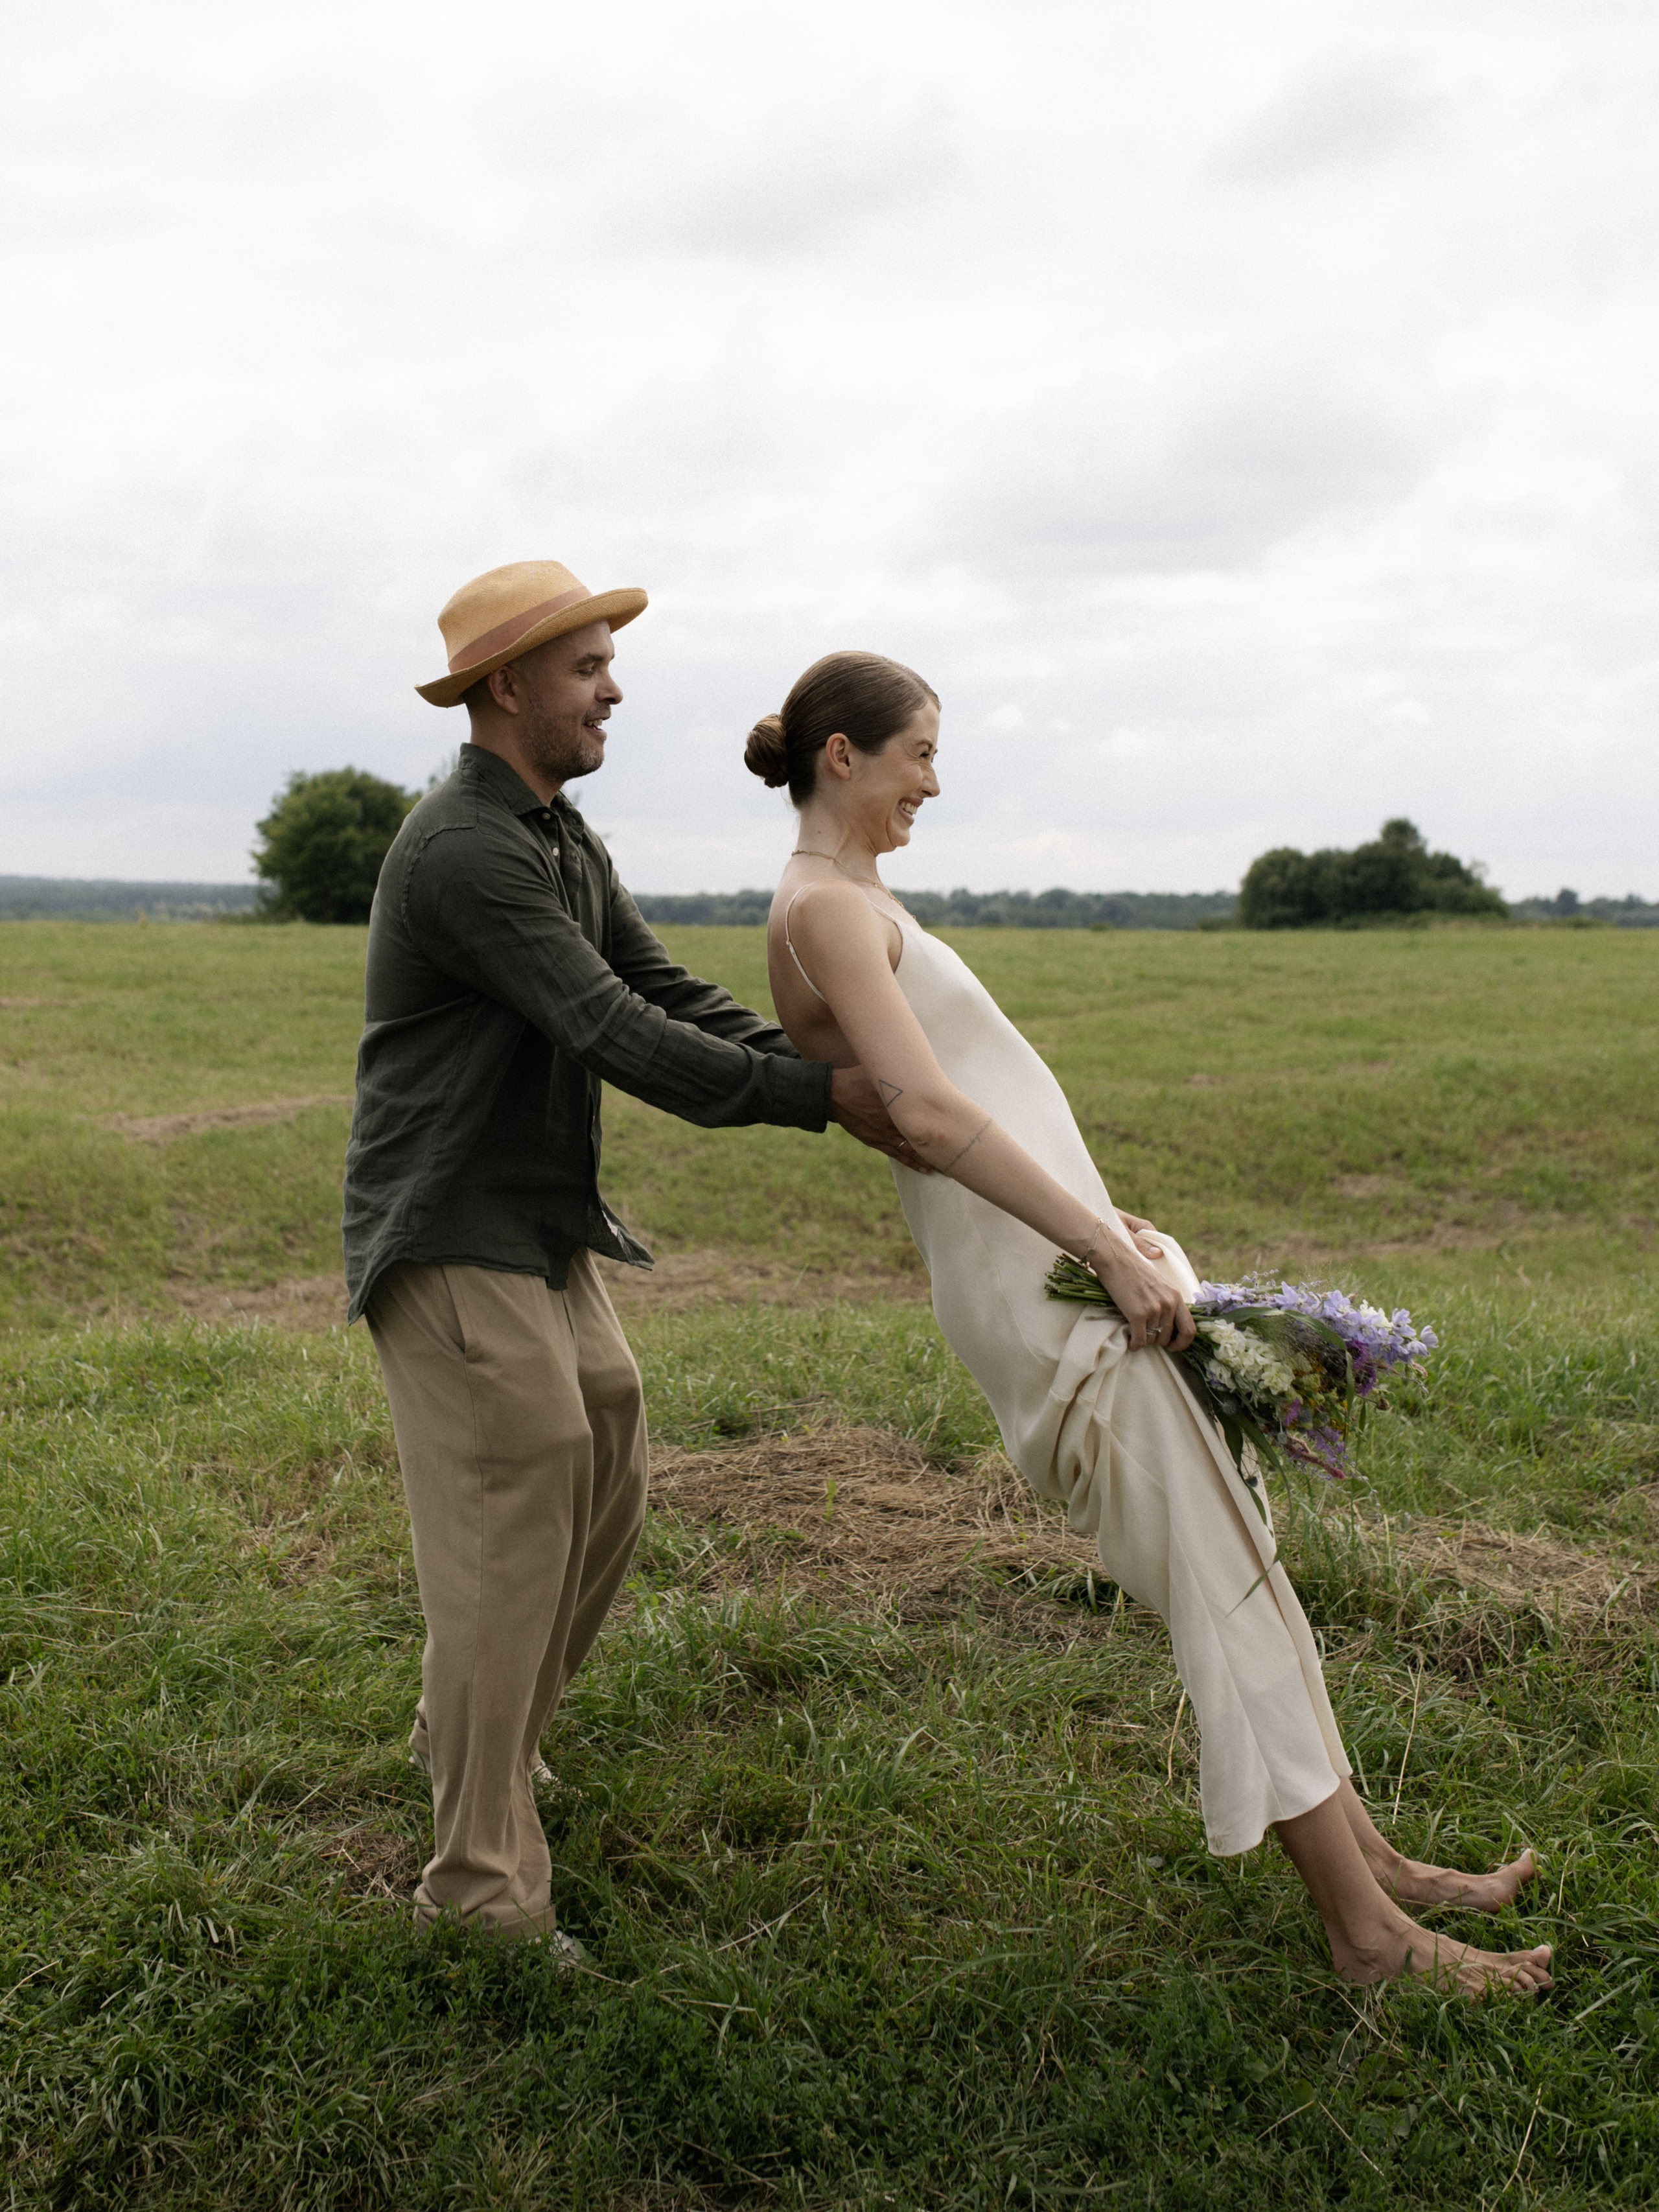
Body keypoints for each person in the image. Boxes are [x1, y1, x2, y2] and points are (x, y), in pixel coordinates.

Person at [745, 648, 1553, 1998]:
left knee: (1240, 1552)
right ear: (844, 756)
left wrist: (1102, 1220)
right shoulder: (822, 907)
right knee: (1219, 1582)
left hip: (1059, 1257)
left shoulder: (854, 895)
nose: (932, 783)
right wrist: (1099, 1249)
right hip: (1035, 1288)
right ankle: (1365, 1941)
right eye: (919, 755)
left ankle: (1378, 1869)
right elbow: (928, 1114)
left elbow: (972, 1093)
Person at [343, 563, 911, 1946]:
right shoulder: (466, 849)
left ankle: (481, 1744)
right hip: (449, 1225)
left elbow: (657, 984)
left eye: (609, 662)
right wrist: (817, 1097)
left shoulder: (557, 836)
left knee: (606, 1436)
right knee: (515, 1505)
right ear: (507, 687)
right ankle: (480, 1896)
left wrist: (829, 1062)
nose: (614, 689)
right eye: (589, 666)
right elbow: (608, 1029)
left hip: (538, 1224)